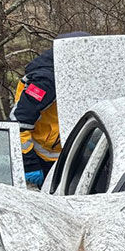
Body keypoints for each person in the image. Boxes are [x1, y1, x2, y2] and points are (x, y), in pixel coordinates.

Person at [9, 31, 89, 187]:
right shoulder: (46, 81)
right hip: (41, 157)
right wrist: (29, 164)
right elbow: (19, 124)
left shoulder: (76, 75)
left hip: (66, 153)